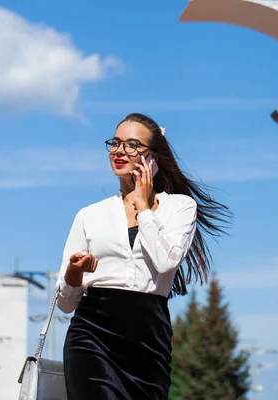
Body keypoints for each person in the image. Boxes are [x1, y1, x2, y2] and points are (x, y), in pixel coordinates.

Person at [56, 112, 230, 400]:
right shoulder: (89, 215)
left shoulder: (179, 208)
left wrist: (143, 206)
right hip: (92, 332)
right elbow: (65, 303)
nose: (120, 151)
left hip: (148, 336)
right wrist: (75, 272)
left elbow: (166, 261)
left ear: (153, 159)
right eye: (116, 142)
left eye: (133, 144)